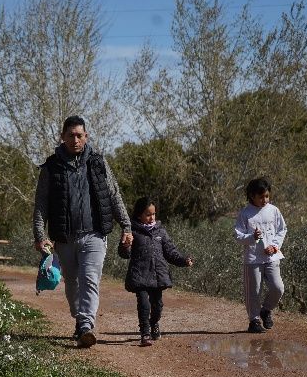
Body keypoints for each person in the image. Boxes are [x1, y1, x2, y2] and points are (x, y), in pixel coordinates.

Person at [32, 115, 133, 348]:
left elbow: (114, 195)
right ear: (62, 137)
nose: (75, 140)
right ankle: (79, 319)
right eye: (71, 135)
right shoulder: (51, 167)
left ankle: (86, 325)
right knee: (72, 284)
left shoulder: (98, 162)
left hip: (94, 234)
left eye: (79, 135)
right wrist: (40, 235)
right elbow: (41, 205)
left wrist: (126, 226)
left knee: (90, 279)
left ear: (86, 136)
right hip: (64, 237)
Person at [118, 197, 193, 346]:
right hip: (140, 275)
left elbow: (171, 252)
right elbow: (125, 254)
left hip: (158, 276)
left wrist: (184, 260)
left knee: (157, 307)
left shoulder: (161, 232)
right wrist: (126, 245)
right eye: (148, 214)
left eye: (153, 214)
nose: (152, 217)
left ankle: (154, 324)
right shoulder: (132, 232)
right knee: (144, 304)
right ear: (139, 215)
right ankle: (145, 333)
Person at [234, 177, 287, 333]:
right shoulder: (245, 214)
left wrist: (274, 246)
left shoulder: (274, 210)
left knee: (278, 288)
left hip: (272, 257)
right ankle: (254, 320)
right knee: (254, 291)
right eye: (261, 196)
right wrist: (252, 237)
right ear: (252, 195)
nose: (264, 200)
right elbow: (238, 235)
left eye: (267, 196)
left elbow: (282, 230)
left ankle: (266, 310)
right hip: (252, 259)